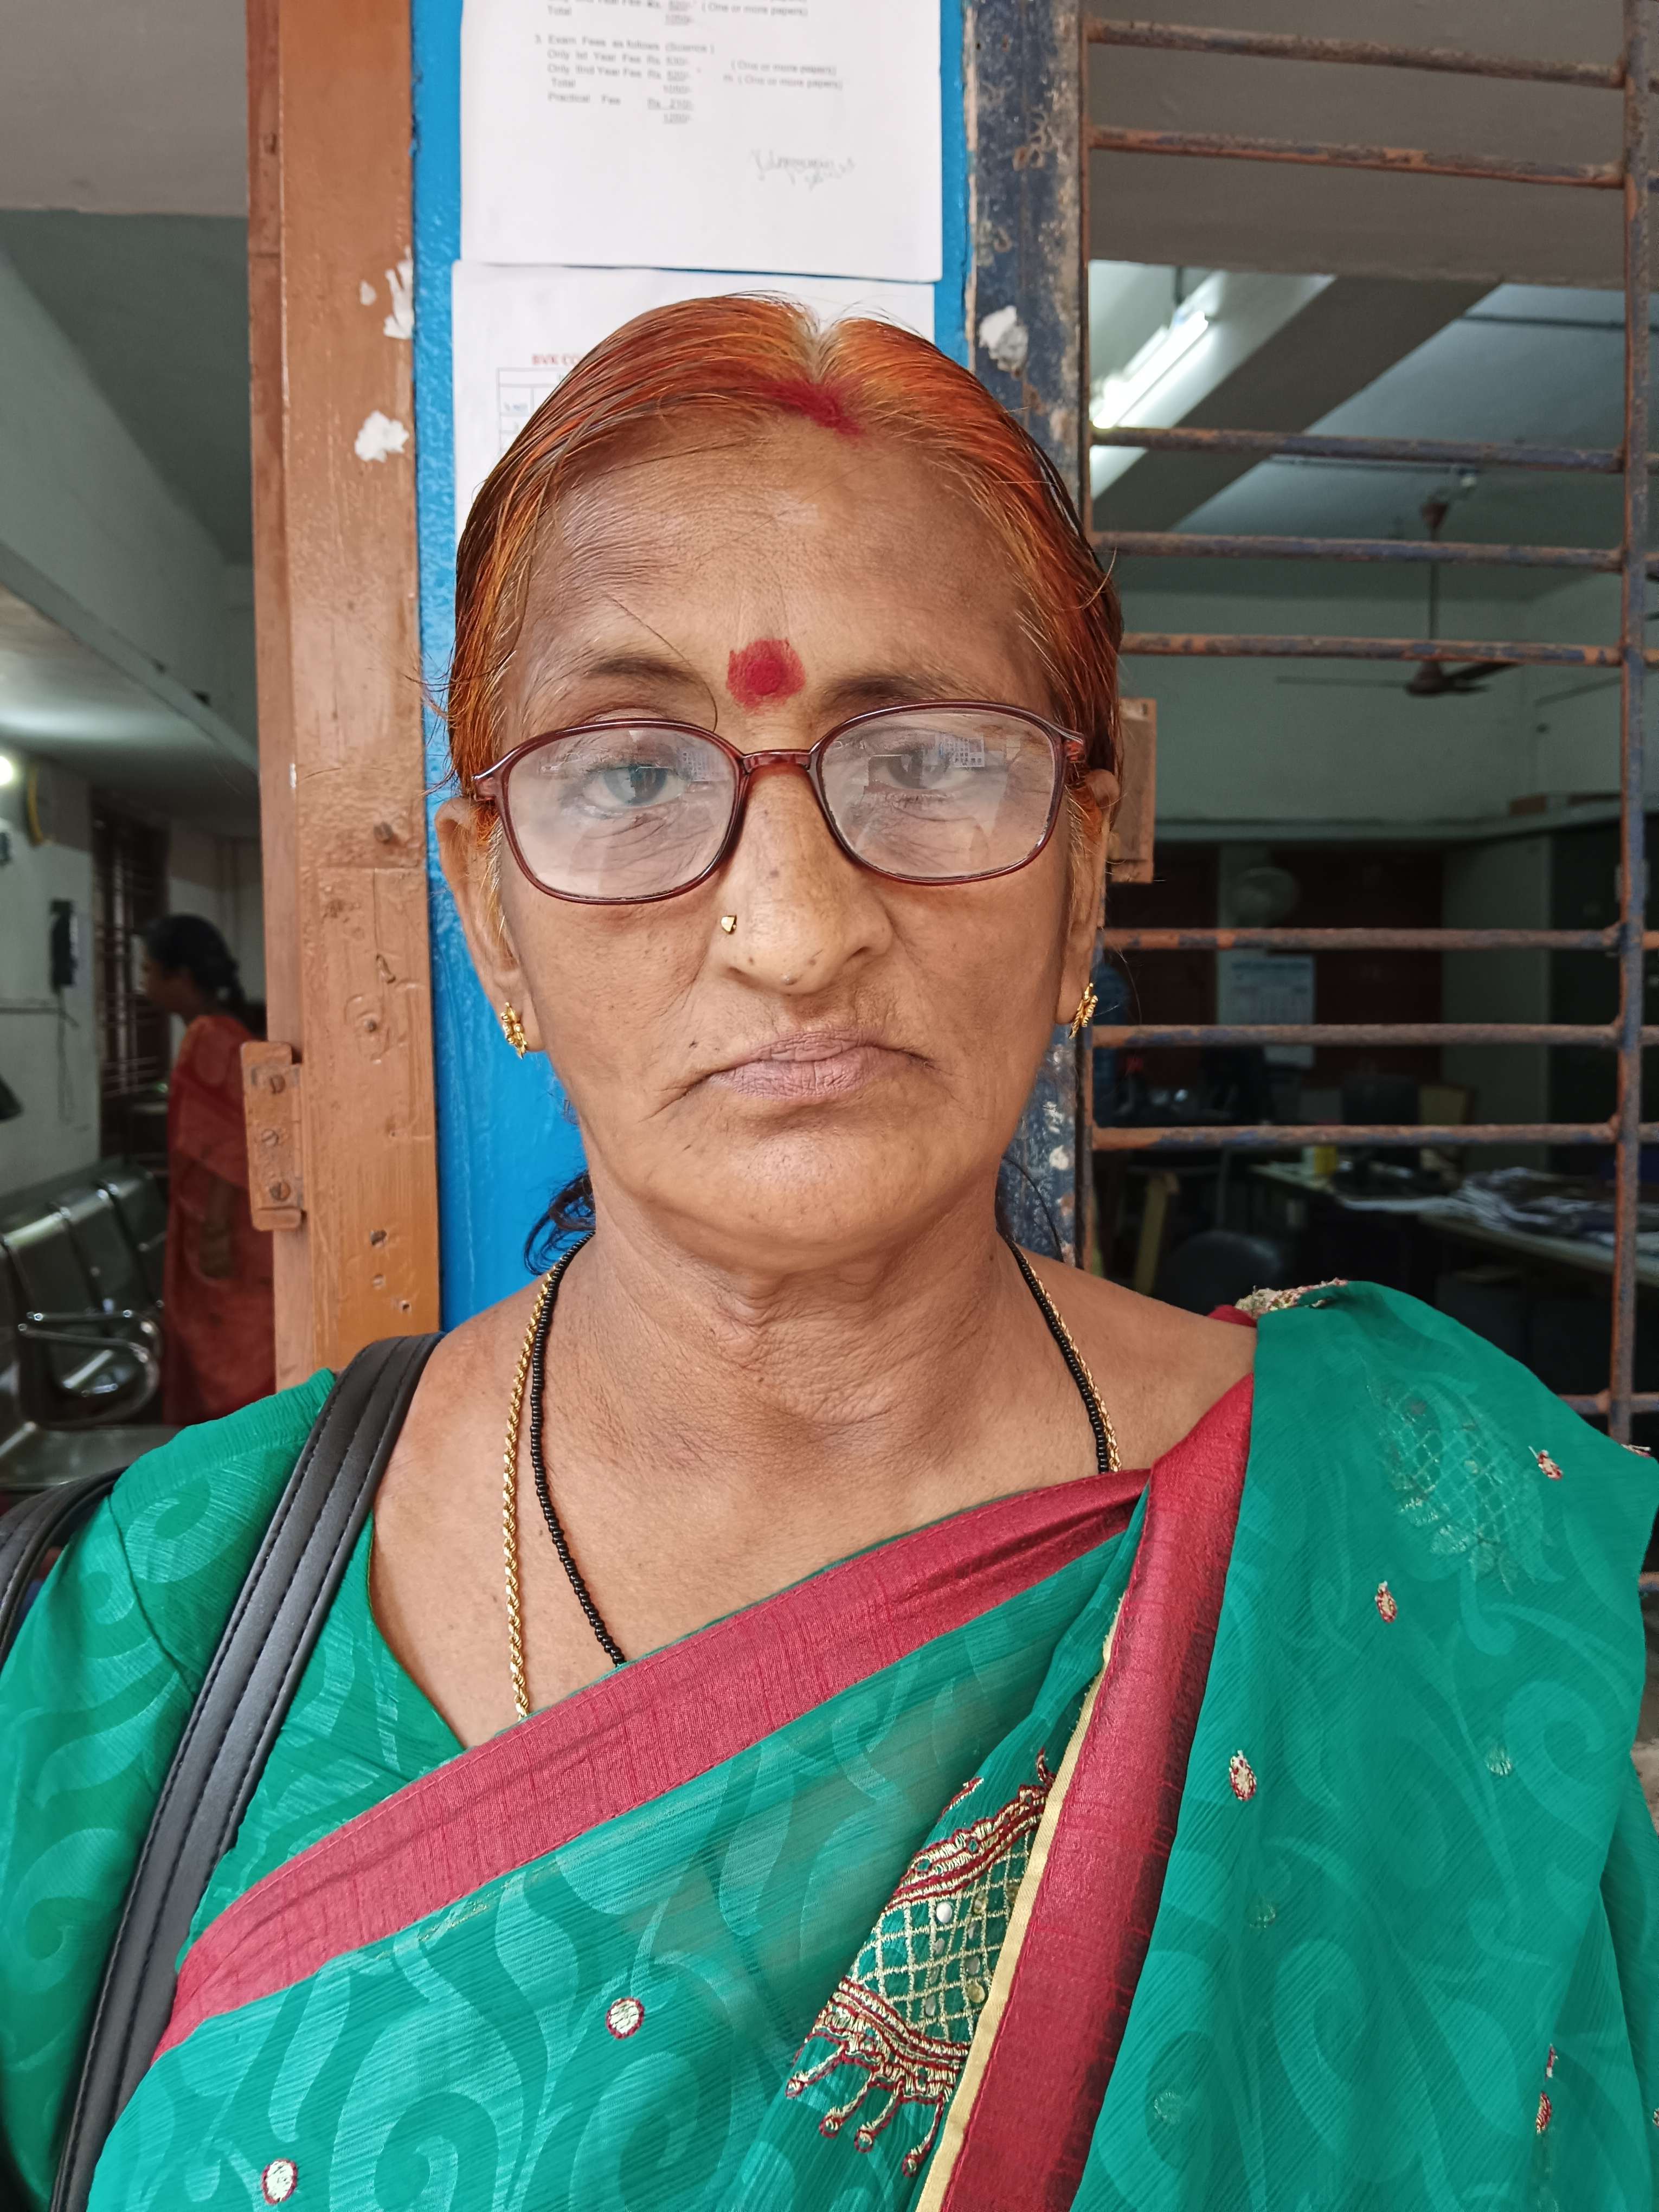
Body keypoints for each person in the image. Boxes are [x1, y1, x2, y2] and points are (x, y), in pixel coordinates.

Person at [2, 299, 1655, 2211]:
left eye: (927, 758)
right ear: (491, 915)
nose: (794, 933)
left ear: (1081, 869)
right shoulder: (152, 1628)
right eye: (632, 773)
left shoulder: (1409, 1531)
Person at [138, 913, 274, 1422]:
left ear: (182, 977)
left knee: (230, 1361)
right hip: (214, 1224)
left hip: (225, 1230)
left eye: (149, 970)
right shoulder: (221, 1031)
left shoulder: (210, 1037)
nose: (144, 983)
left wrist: (215, 1230)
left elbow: (229, 1141)